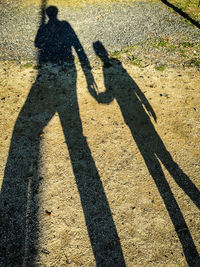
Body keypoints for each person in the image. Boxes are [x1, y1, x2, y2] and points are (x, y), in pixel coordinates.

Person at [0, 8, 125, 266]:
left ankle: (75, 142)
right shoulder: (66, 25)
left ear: (48, 15)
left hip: (50, 73)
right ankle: (77, 145)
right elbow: (78, 47)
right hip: (69, 73)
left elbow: (37, 44)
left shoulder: (47, 27)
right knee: (73, 126)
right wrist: (88, 73)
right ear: (55, 14)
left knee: (46, 121)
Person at [93, 41, 200, 266]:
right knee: (166, 159)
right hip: (136, 115)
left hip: (134, 119)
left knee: (162, 162)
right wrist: (145, 102)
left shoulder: (111, 67)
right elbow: (132, 88)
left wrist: (101, 97)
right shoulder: (115, 66)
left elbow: (113, 95)